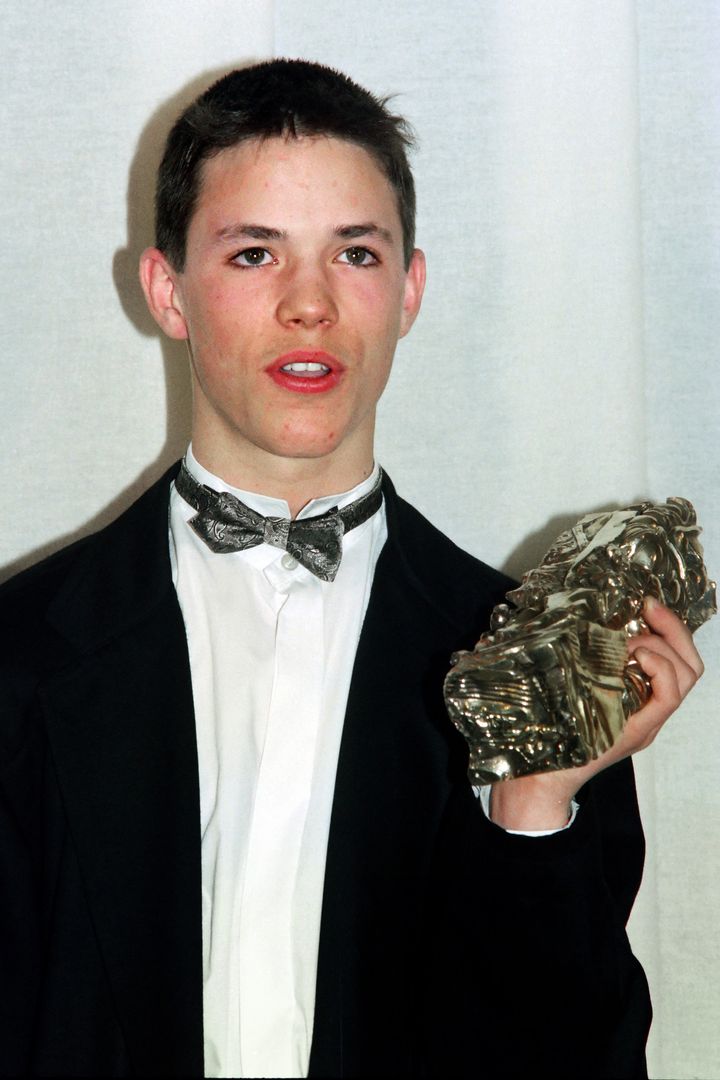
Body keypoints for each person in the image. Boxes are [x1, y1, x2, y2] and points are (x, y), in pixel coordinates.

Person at [0, 59, 703, 1078]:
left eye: (356, 254)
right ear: (169, 290)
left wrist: (534, 809)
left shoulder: (531, 671)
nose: (310, 306)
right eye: (252, 254)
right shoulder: (18, 659)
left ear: (410, 289)